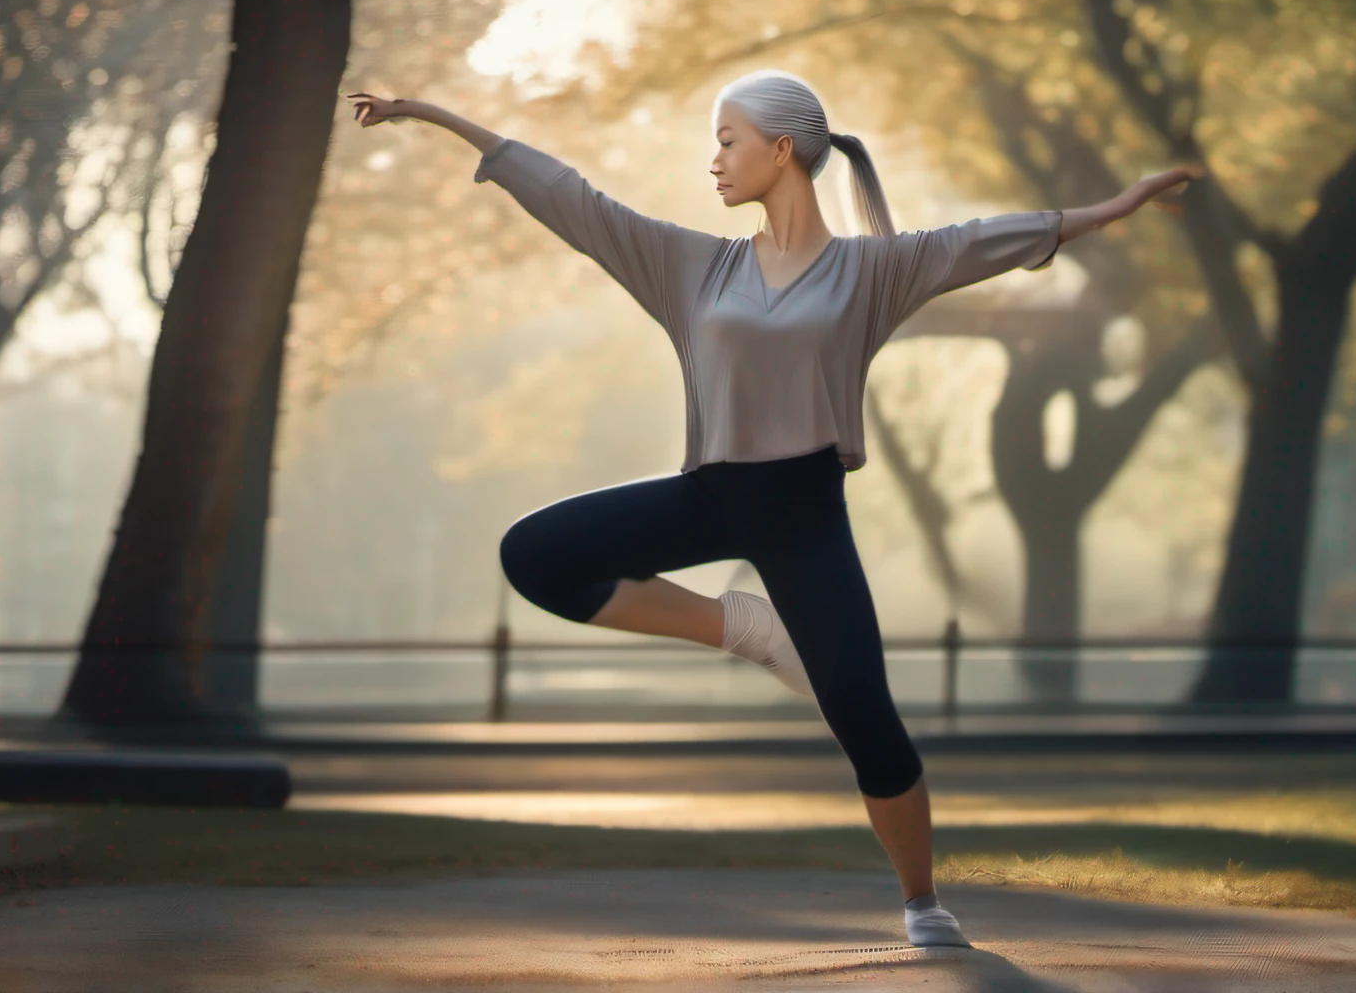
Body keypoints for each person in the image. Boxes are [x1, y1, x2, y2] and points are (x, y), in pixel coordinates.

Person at [346, 73, 1200, 948]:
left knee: (865, 717)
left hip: (804, 518)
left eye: (727, 140)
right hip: (709, 498)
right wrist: (435, 117)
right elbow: (575, 200)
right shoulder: (692, 266)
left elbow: (987, 241)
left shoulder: (876, 268)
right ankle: (749, 631)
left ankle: (921, 902)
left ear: (781, 149)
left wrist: (1120, 206)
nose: (713, 159)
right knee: (536, 555)